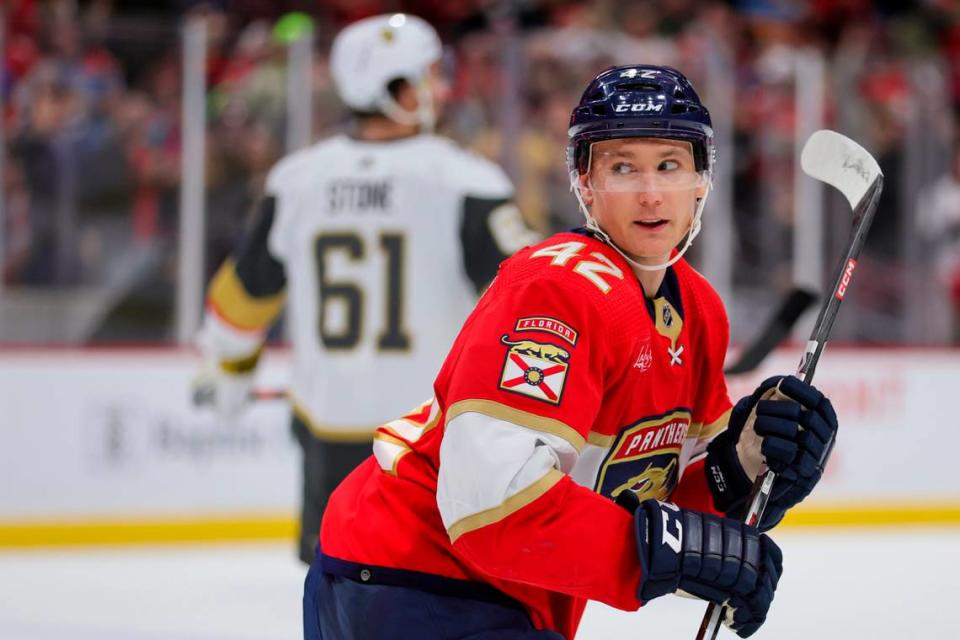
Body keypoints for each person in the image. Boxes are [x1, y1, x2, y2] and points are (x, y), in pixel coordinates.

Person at [305, 65, 840, 639]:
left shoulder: (700, 309)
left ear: (702, 180)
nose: (650, 192)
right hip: (411, 574)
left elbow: (666, 501)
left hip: (498, 593)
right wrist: (678, 553)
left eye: (669, 165)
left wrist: (744, 464)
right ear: (584, 184)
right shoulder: (556, 288)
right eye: (621, 168)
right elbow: (492, 506)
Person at [195, 13, 537, 564]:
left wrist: (227, 366)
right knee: (431, 588)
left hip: (325, 424)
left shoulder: (298, 178)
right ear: (396, 89)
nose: (441, 88)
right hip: (428, 435)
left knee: (337, 588)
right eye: (428, 75)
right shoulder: (465, 181)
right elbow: (534, 296)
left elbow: (244, 295)